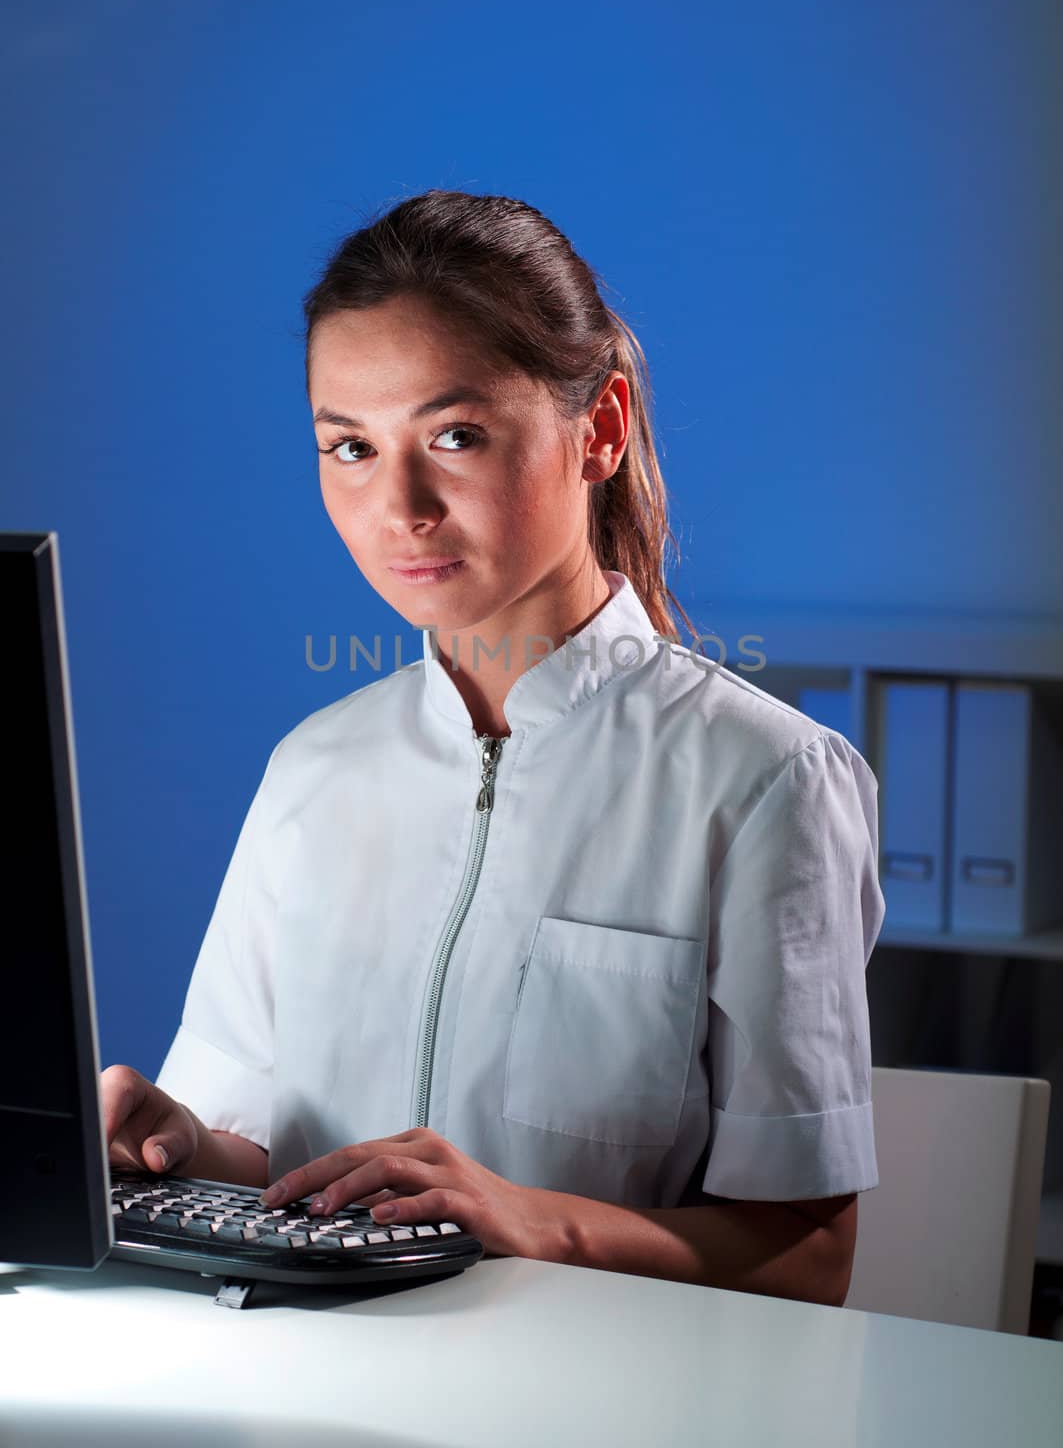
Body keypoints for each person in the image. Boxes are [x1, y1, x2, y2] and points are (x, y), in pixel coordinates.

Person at [101, 189, 886, 1304]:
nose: (400, 505)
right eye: (350, 447)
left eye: (454, 435)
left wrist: (530, 1222)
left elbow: (809, 1255)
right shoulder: (312, 774)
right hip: (313, 1391)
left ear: (599, 429)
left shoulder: (765, 782)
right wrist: (173, 1143)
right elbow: (272, 1168)